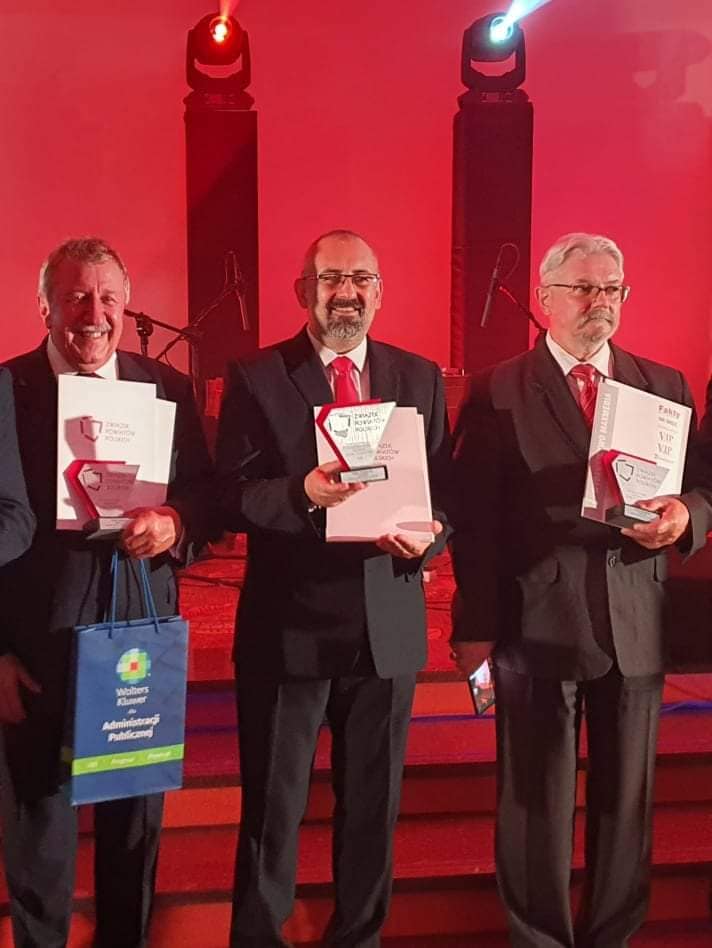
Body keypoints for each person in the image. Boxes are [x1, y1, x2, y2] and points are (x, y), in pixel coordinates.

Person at [449, 232, 712, 947]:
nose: (600, 302)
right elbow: (474, 520)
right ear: (545, 299)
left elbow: (703, 487)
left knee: (628, 806)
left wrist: (687, 515)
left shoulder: (664, 385)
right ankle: (539, 938)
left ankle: (612, 936)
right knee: (534, 805)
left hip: (637, 619)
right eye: (584, 288)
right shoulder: (498, 387)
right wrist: (475, 625)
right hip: (535, 624)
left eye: (612, 289)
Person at [216, 229, 451, 947]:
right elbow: (231, 495)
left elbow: (445, 493)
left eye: (360, 279)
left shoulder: (419, 376)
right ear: (303, 291)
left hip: (388, 629)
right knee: (273, 814)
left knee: (373, 814)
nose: (346, 293)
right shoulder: (257, 375)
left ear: (380, 292)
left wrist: (433, 534)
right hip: (289, 629)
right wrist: (304, 493)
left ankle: (359, 938)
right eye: (330, 279)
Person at [0, 237, 214, 948]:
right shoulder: (6, 390)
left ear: (126, 305)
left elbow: (206, 497)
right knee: (40, 837)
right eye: (75, 297)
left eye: (108, 298)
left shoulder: (168, 387)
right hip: (37, 651)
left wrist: (176, 521)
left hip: (139, 642)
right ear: (45, 307)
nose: (94, 314)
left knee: (134, 832)